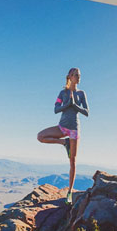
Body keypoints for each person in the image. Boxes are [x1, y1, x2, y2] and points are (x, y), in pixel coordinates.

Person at [36, 67, 90, 205]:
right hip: (61, 127)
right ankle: (63, 143)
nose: (78, 77)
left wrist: (75, 105)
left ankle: (70, 192)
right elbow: (56, 109)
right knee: (40, 136)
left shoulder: (81, 94)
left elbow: (87, 112)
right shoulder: (63, 93)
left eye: (79, 75)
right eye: (76, 75)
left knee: (73, 161)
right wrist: (67, 104)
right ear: (70, 77)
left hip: (74, 130)